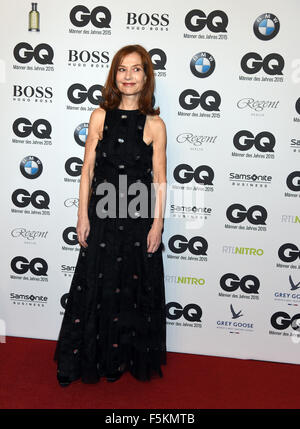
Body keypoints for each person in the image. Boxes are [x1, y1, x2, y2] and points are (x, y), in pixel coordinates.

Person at [54, 44, 167, 386]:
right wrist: (81, 216)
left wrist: (157, 225)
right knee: (95, 286)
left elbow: (160, 178)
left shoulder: (155, 124)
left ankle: (121, 358)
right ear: (113, 76)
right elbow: (87, 169)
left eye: (136, 69)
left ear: (146, 77)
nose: (128, 76)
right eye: (122, 69)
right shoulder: (99, 116)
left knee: (130, 288)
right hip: (101, 214)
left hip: (137, 216)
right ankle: (85, 358)